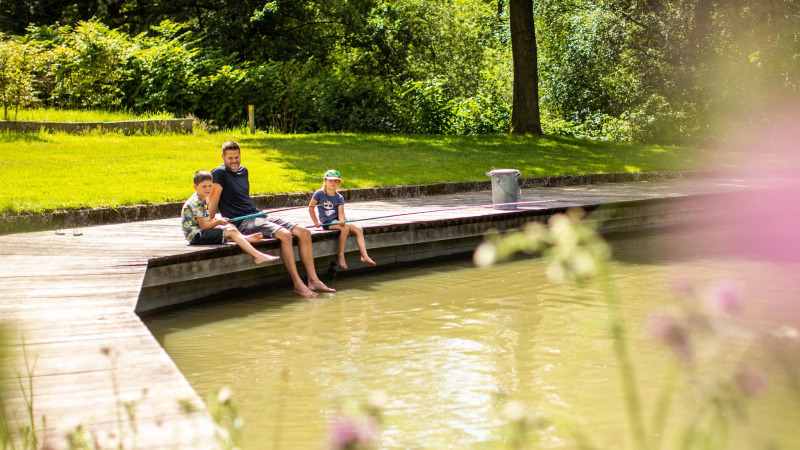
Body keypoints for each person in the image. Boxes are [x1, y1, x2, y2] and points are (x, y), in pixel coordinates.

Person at [208, 140, 335, 298]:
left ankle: (313, 280)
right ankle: (298, 284)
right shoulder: (219, 173)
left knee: (304, 232)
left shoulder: (244, 171)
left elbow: (243, 198)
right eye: (230, 158)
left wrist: (259, 214)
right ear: (223, 157)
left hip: (258, 215)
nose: (234, 161)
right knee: (285, 234)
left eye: (237, 157)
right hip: (243, 221)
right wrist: (210, 222)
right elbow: (213, 200)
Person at [182, 170, 280, 266]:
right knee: (232, 231)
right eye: (204, 186)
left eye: (210, 185)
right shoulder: (197, 202)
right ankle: (258, 256)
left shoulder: (204, 198)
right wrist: (218, 222)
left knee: (230, 226)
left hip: (200, 232)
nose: (208, 189)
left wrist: (215, 221)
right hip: (196, 236)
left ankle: (245, 238)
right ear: (195, 187)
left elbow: (203, 221)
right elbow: (203, 226)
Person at [309, 170, 376, 269]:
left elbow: (341, 214)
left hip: (336, 220)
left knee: (359, 229)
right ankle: (341, 255)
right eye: (331, 180)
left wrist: (342, 221)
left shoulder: (339, 197)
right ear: (325, 181)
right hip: (327, 222)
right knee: (345, 229)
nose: (333, 183)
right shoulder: (319, 194)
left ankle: (364, 256)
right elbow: (311, 207)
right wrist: (315, 221)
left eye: (336, 181)